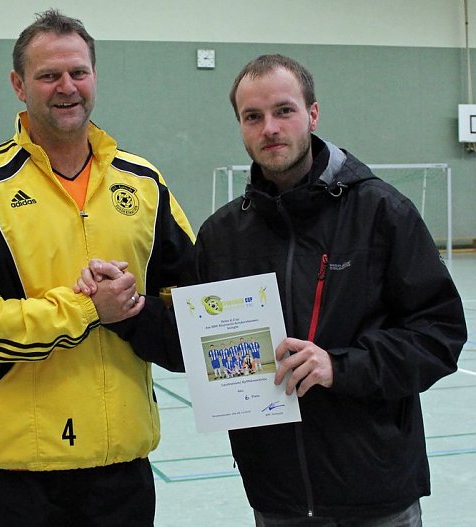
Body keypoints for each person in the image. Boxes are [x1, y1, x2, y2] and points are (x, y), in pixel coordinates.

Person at [81, 54, 467, 525]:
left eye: (284, 110)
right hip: (276, 497)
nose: (270, 128)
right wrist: (129, 310)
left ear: (313, 114)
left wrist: (338, 366)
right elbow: (193, 345)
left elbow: (438, 333)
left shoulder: (381, 212)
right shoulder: (223, 236)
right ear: (241, 126)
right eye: (253, 116)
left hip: (377, 492)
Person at [0, 9, 195, 526]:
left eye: (78, 72)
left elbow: (193, 297)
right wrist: (84, 309)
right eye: (48, 75)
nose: (66, 87)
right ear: (18, 84)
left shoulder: (143, 182)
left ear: (94, 76)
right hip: (22, 471)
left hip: (122, 464)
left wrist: (132, 308)